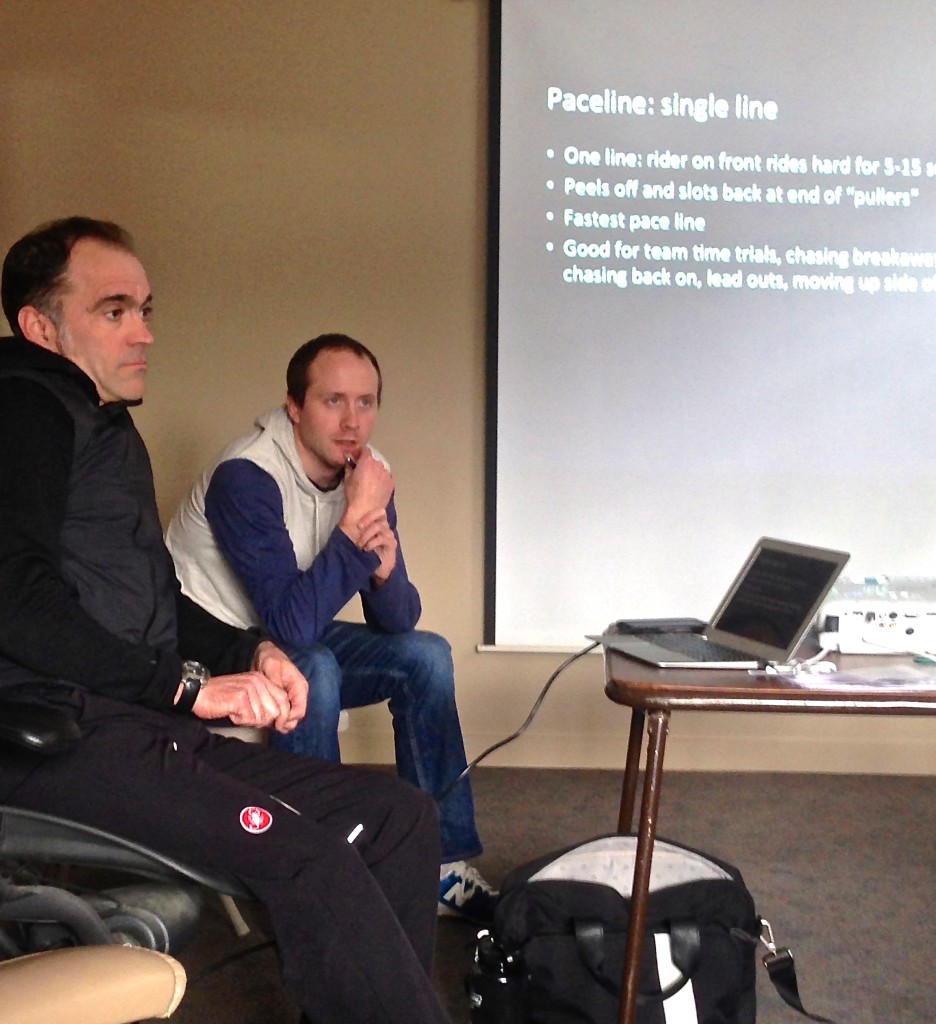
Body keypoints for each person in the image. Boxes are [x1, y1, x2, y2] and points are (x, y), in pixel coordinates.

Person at [0, 216, 454, 1024]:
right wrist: (188, 689)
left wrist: (251, 649)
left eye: (145, 309)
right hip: (58, 735)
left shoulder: (98, 423)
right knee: (314, 860)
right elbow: (15, 600)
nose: (143, 332)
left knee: (397, 815)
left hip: (135, 721)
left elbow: (153, 599)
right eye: (114, 311)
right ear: (40, 326)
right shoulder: (25, 412)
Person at [165, 334, 497, 921]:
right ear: (294, 407)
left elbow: (396, 620)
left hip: (287, 627)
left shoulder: (370, 475)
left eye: (366, 402)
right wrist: (354, 525)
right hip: (207, 639)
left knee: (427, 656)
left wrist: (386, 569)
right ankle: (317, 864)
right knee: (311, 665)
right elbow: (290, 623)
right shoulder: (245, 475)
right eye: (333, 401)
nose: (352, 421)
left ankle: (439, 865)